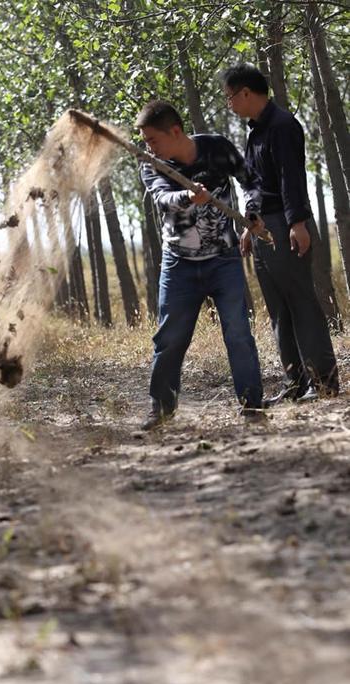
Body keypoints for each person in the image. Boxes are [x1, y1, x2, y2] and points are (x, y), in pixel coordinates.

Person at [136, 100, 264, 431]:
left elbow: (249, 179)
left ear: (175, 131)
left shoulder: (217, 147)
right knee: (170, 337)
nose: (148, 146)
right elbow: (162, 198)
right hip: (178, 264)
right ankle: (161, 409)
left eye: (152, 139)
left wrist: (251, 213)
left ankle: (252, 406)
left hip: (224, 260)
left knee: (237, 331)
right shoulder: (152, 163)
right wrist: (188, 198)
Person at [222, 63, 338, 405]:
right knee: (278, 308)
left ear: (246, 93)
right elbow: (255, 185)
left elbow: (291, 179)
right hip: (262, 227)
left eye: (230, 97)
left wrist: (297, 223)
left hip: (285, 224)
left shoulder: (283, 126)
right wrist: (249, 224)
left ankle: (324, 383)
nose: (229, 104)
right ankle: (296, 382)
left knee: (301, 302)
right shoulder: (254, 131)